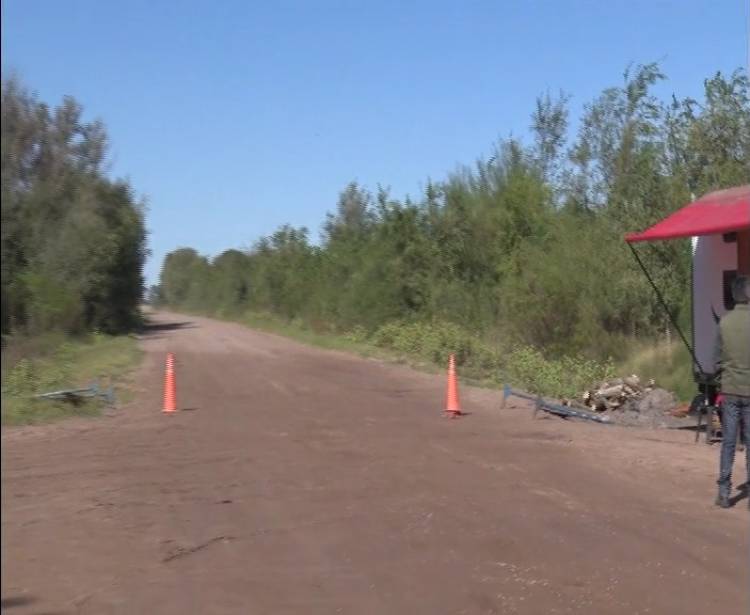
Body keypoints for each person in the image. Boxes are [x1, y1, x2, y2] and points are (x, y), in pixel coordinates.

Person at [713, 274, 750, 509]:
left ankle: (724, 492)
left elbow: (716, 360)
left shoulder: (724, 323)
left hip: (730, 390)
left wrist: (722, 379)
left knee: (728, 442)